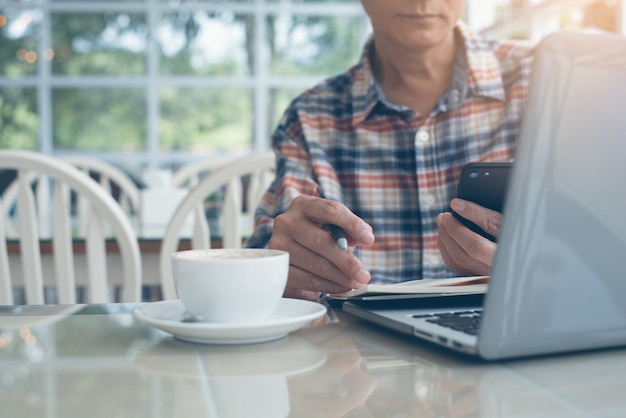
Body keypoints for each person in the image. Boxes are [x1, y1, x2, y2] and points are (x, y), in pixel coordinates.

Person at [247, 0, 534, 301]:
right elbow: (268, 255)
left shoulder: (546, 79)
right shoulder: (308, 118)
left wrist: (548, 260)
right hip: (352, 345)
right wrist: (282, 270)